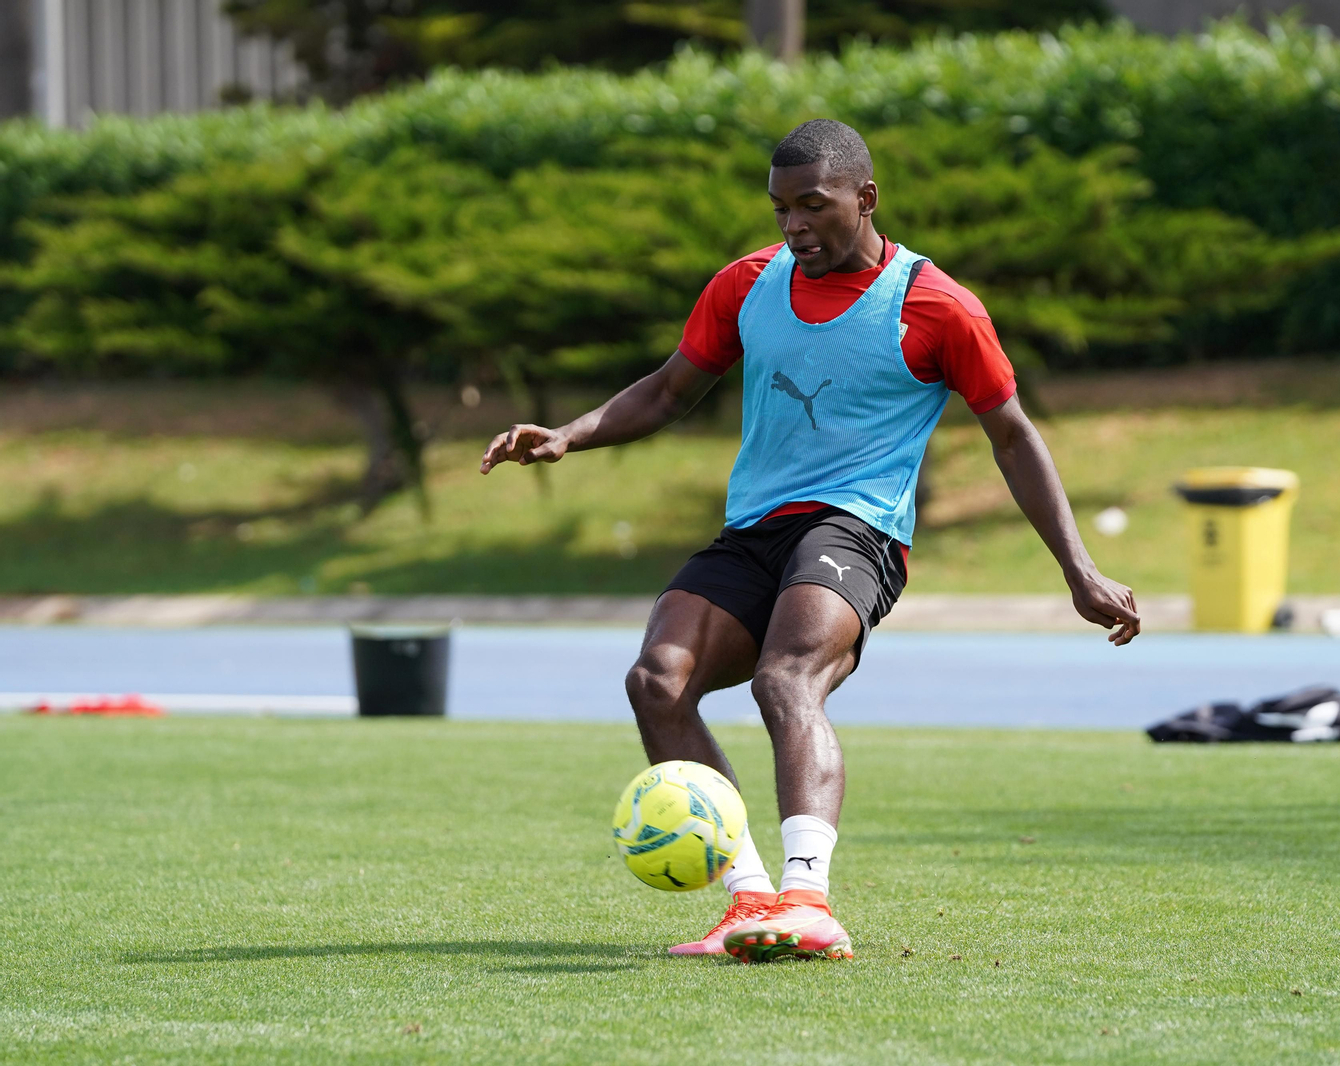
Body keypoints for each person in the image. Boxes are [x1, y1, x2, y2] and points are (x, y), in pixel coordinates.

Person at [480, 119, 1140, 963]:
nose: (793, 225)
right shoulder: (747, 284)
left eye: (812, 206)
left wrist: (1078, 570)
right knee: (657, 680)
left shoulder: (935, 306)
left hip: (859, 528)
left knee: (786, 676)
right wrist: (570, 434)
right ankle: (748, 902)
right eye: (780, 207)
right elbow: (673, 388)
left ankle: (808, 900)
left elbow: (1011, 435)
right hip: (757, 526)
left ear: (865, 199)